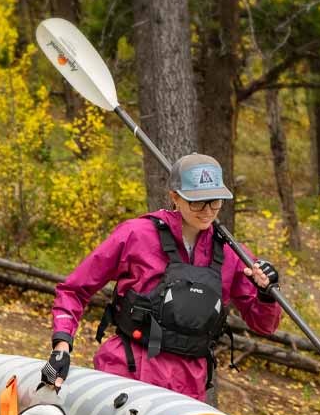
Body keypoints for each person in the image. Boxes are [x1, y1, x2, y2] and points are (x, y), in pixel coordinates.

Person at [40, 153, 282, 401]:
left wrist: (266, 295)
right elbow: (74, 290)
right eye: (197, 202)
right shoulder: (136, 234)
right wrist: (62, 346)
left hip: (189, 389)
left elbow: (264, 325)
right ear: (175, 197)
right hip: (126, 374)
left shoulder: (231, 254)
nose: (207, 211)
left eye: (215, 202)